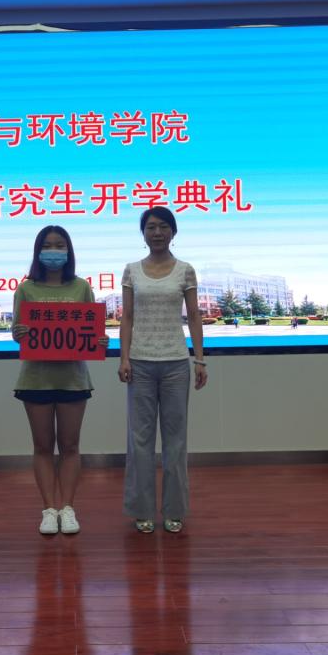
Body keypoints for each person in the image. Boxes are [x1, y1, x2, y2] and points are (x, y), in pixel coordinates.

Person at [11, 225, 108, 535]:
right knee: (42, 447)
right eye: (48, 245)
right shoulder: (26, 289)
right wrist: (20, 333)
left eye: (59, 245)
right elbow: (16, 332)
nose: (53, 250)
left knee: (70, 446)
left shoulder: (81, 287)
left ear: (69, 251)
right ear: (38, 251)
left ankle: (67, 508)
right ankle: (48, 509)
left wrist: (100, 341)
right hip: (35, 378)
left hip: (73, 378)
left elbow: (93, 330)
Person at [118, 206, 207, 534]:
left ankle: (174, 510)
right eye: (151, 227)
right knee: (139, 441)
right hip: (140, 363)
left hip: (175, 364)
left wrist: (200, 359)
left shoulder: (185, 270)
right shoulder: (131, 270)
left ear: (173, 231)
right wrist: (124, 358)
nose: (157, 232)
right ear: (143, 233)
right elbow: (127, 317)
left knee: (175, 441)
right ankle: (141, 510)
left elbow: (194, 315)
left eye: (163, 226)